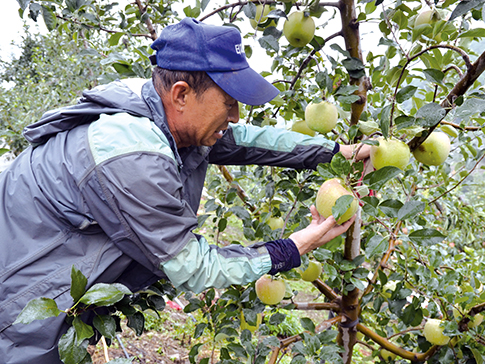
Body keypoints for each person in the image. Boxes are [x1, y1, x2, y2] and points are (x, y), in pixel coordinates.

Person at [0, 18, 370, 363]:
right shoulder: (132, 155)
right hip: (17, 307)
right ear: (181, 94)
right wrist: (296, 246)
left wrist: (338, 152)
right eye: (229, 102)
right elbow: (192, 266)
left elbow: (248, 139)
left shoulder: (151, 106)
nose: (236, 114)